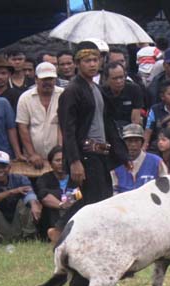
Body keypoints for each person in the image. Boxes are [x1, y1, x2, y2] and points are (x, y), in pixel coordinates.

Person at [57, 41, 130, 213]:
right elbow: (68, 129)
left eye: (95, 60)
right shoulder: (72, 91)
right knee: (88, 200)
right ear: (77, 64)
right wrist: (74, 161)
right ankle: (59, 228)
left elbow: (108, 124)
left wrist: (122, 154)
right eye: (87, 61)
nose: (92, 64)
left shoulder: (96, 89)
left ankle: (60, 227)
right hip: (85, 154)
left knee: (100, 197)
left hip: (101, 154)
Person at [0, 151, 41, 243]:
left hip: (17, 221)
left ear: (9, 167)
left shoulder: (20, 179)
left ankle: (29, 236)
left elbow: (30, 194)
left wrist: (34, 204)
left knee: (28, 203)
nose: (0, 170)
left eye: (4, 167)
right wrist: (12, 191)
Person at [16, 62, 64, 168]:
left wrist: (60, 152)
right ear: (36, 79)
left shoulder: (64, 95)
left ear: (55, 79)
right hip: (33, 159)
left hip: (60, 158)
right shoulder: (25, 98)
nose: (48, 82)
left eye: (50, 79)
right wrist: (32, 154)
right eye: (44, 79)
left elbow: (64, 125)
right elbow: (22, 127)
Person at [35, 146, 79, 240]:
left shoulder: (75, 177)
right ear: (50, 164)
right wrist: (61, 205)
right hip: (52, 214)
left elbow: (81, 192)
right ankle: (55, 233)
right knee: (51, 206)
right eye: (57, 160)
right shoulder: (44, 179)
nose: (61, 163)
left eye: (63, 160)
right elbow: (43, 196)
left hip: (73, 210)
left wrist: (69, 201)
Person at [111, 124, 168, 194]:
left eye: (136, 141)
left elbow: (166, 187)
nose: (133, 144)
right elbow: (113, 190)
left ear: (142, 142)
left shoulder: (156, 162)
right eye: (129, 141)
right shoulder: (116, 164)